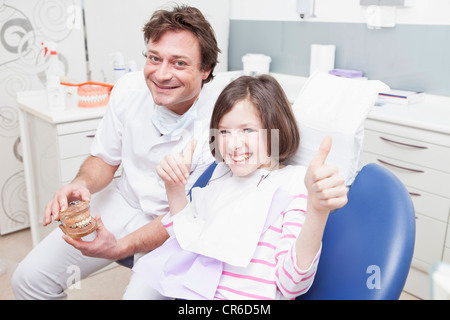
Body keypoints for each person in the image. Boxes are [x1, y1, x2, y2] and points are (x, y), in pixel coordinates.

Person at [12, 5, 221, 299]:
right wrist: (81, 183)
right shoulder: (128, 90)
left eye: (179, 63)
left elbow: (187, 217)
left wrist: (120, 247)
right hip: (123, 200)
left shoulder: (223, 123)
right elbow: (104, 159)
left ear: (206, 68)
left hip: (175, 223)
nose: (161, 74)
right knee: (29, 279)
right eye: (154, 58)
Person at [132, 75, 348, 300]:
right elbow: (185, 241)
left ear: (275, 128)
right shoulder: (221, 174)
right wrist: (174, 187)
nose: (234, 145)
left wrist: (317, 212)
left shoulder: (295, 185)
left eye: (247, 130)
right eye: (224, 132)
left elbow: (292, 284)